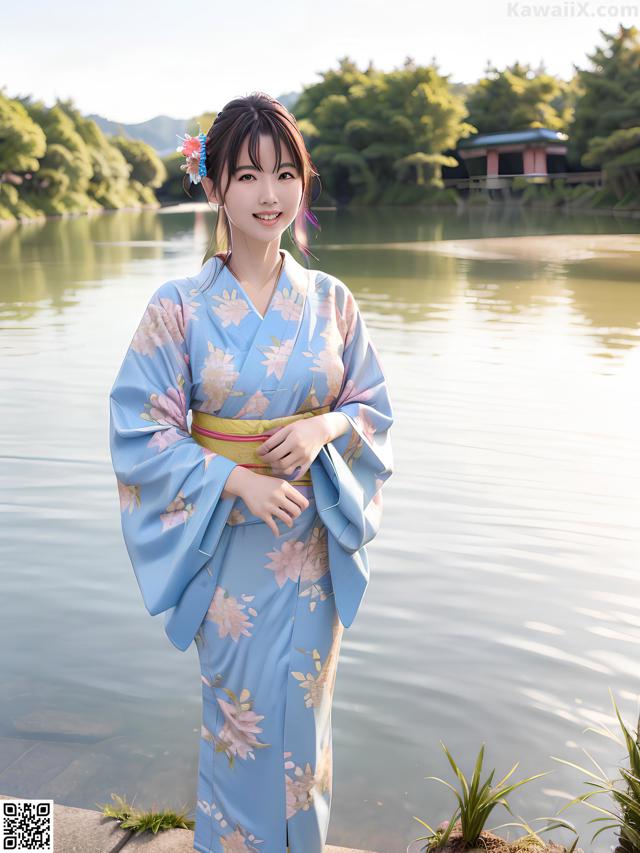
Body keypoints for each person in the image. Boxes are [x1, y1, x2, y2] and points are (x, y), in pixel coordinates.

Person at [108, 91, 394, 853]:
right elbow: (140, 426)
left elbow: (372, 407)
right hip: (229, 549)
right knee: (241, 722)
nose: (269, 195)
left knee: (306, 726)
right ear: (213, 189)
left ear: (303, 182)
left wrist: (324, 424)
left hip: (311, 548)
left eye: (284, 174)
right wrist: (237, 480)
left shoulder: (332, 301)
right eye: (246, 175)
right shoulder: (180, 307)